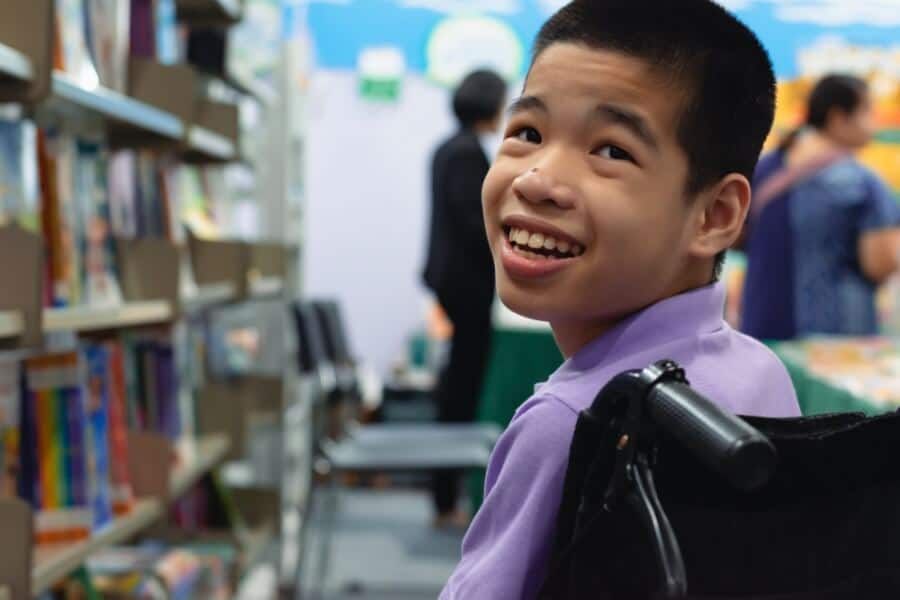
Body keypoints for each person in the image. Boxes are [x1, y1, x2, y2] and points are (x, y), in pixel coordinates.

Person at [439, 1, 801, 598]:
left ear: (715, 214)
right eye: (527, 133)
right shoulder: (759, 371)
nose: (536, 180)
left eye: (610, 151)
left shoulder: (574, 424)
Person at [741, 74, 900, 340]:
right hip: (837, 338)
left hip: (763, 325)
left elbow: (736, 235)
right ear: (838, 118)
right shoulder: (862, 183)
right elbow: (878, 264)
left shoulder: (765, 167)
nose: (874, 122)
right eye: (867, 112)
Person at [422, 69, 507, 529]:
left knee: (458, 387)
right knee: (461, 391)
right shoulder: (465, 153)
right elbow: (474, 222)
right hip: (467, 285)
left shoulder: (450, 148)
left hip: (457, 283)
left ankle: (445, 496)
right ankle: (444, 499)